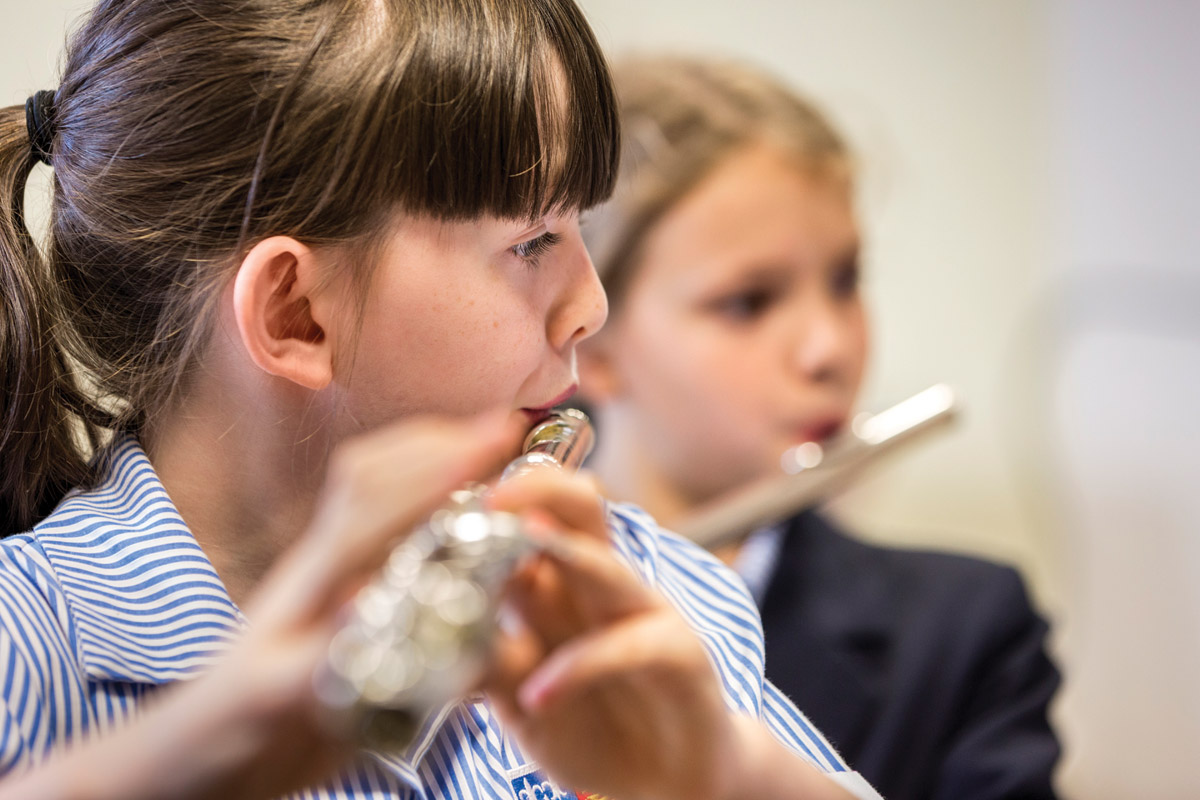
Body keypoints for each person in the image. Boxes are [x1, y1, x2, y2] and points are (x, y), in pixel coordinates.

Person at [0, 3, 883, 799]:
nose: (592, 306)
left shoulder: (647, 590)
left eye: (581, 226)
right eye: (533, 241)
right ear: (296, 314)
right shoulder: (27, 650)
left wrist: (725, 773)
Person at [577, 55, 1062, 800]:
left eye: (845, 280)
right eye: (749, 302)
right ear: (594, 347)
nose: (829, 347)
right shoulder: (486, 604)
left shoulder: (964, 630)